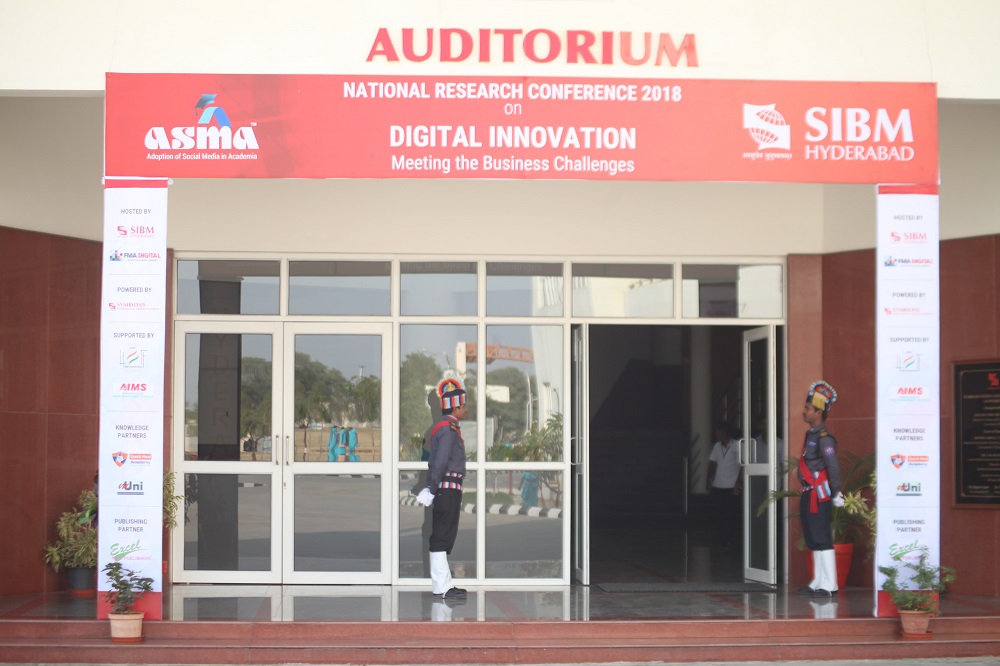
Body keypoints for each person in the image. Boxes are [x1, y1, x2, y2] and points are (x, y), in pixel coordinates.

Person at [414, 377, 469, 600]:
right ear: (454, 407)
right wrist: (432, 487)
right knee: (442, 535)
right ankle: (442, 586)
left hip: (449, 488)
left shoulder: (449, 427)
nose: (466, 409)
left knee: (445, 535)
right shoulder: (447, 429)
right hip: (446, 489)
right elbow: (440, 461)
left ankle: (445, 584)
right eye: (463, 406)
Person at [797, 380, 844, 598]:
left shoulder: (825, 438)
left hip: (820, 494)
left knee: (822, 537)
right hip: (808, 492)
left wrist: (836, 492)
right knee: (812, 537)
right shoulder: (812, 435)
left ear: (818, 412)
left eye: (808, 408)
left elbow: (832, 466)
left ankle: (830, 584)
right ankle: (818, 581)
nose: (804, 411)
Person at [707, 421, 742, 550]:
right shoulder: (717, 446)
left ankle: (730, 539)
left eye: (717, 431)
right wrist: (708, 480)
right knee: (719, 514)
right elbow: (712, 463)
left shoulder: (737, 445)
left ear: (723, 431)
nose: (715, 433)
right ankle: (723, 538)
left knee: (730, 514)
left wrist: (738, 483)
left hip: (731, 486)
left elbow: (742, 465)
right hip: (718, 485)